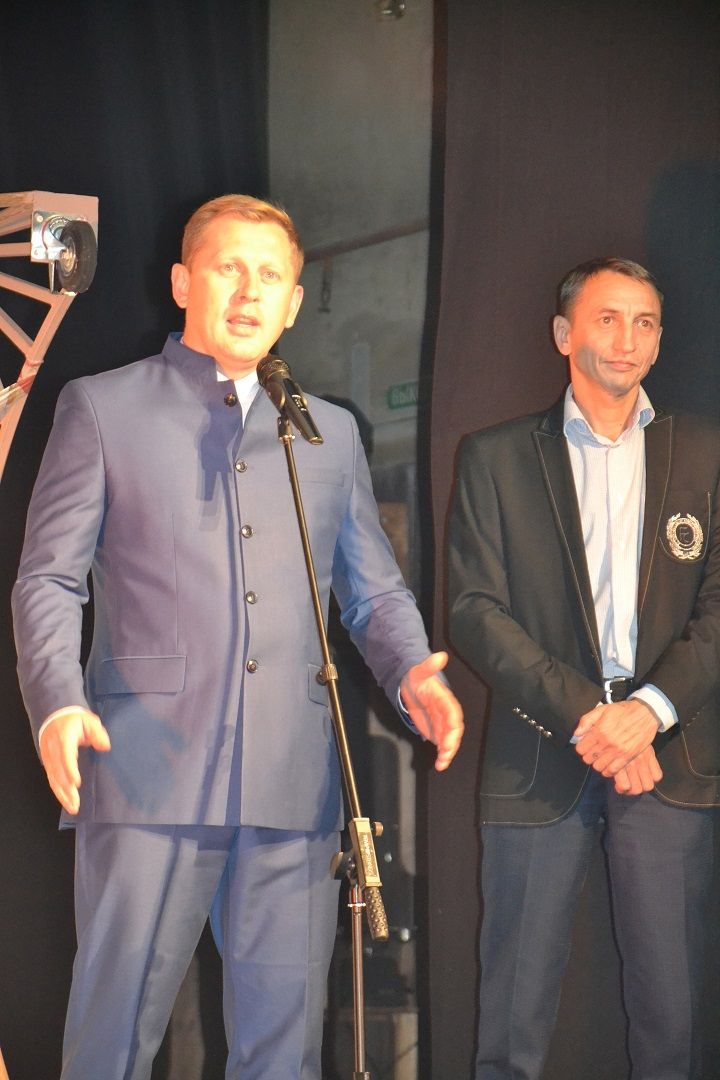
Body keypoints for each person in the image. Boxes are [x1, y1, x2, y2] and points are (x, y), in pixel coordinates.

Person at [12, 194, 464, 1080]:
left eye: (271, 276)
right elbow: (49, 579)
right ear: (184, 283)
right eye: (229, 268)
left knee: (282, 1056)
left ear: (294, 303)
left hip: (292, 789)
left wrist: (413, 671)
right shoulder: (102, 408)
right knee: (111, 1045)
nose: (250, 291)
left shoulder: (327, 432)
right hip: (146, 773)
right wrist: (57, 703)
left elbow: (372, 592)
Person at [448, 257, 720, 1080]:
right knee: (511, 1021)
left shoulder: (706, 452)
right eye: (607, 319)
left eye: (645, 323)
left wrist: (649, 712)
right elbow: (475, 612)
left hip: (671, 756)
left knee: (673, 1021)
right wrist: (592, 717)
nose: (627, 339)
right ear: (565, 334)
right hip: (539, 749)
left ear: (660, 341)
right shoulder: (495, 456)